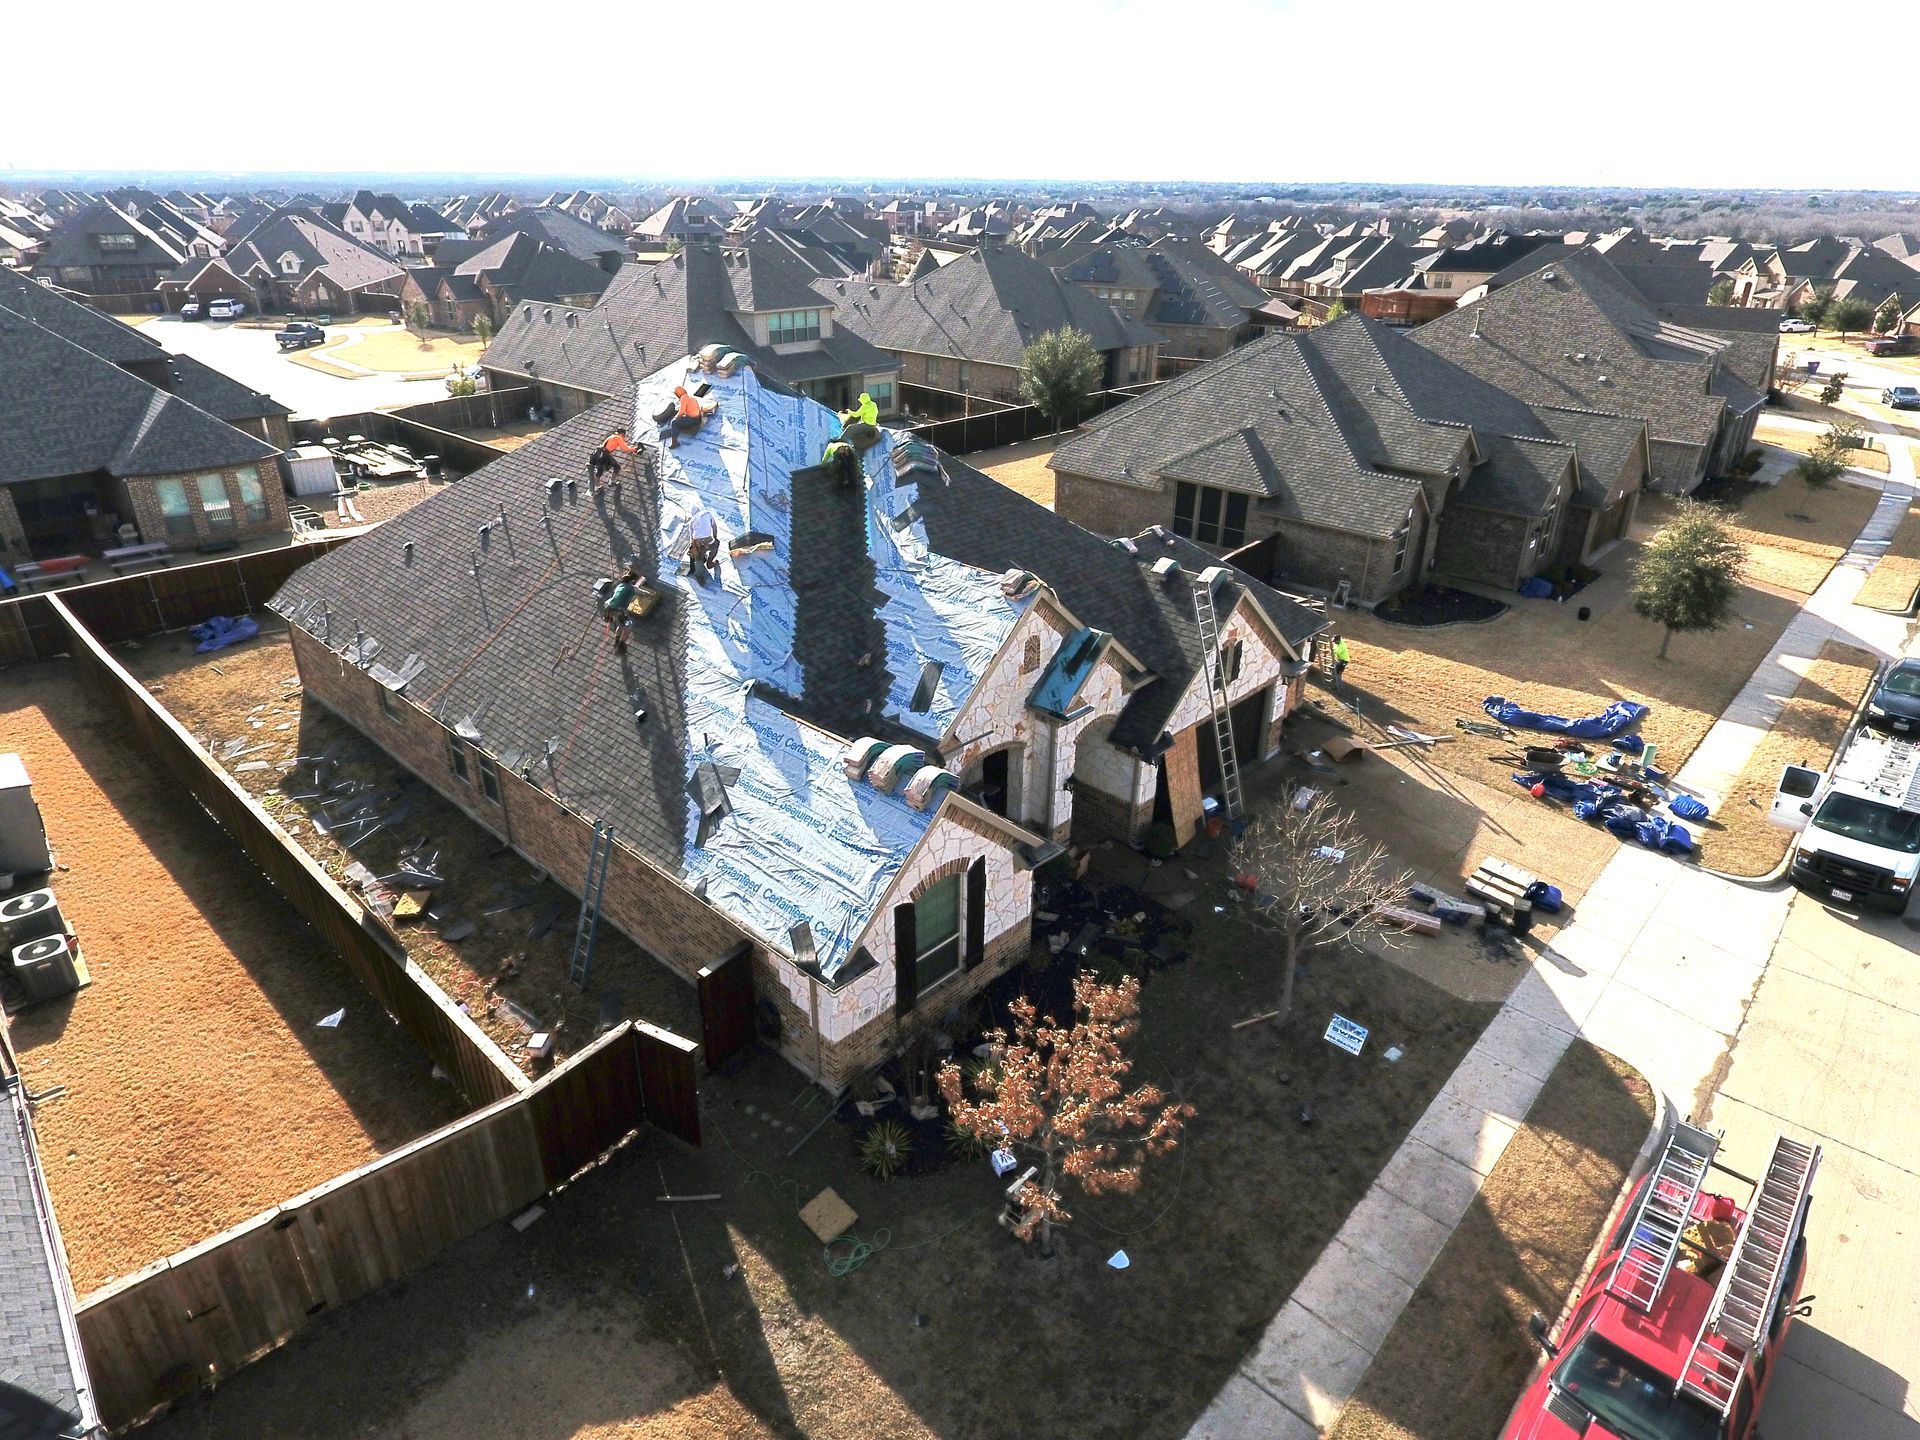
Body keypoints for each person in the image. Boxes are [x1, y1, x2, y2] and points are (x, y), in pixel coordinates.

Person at [602, 564, 641, 651]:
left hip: (608, 607)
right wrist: (651, 594)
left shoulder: (620, 585)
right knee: (628, 626)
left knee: (621, 624)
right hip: (618, 610)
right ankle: (621, 645)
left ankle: (616, 641)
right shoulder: (633, 588)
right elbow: (643, 593)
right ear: (633, 581)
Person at [687, 507, 720, 584]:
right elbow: (714, 526)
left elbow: (691, 538)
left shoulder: (691, 521)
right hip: (708, 539)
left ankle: (699, 575)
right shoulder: (707, 513)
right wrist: (715, 538)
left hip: (697, 541)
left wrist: (694, 550)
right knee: (716, 544)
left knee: (699, 557)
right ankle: (710, 561)